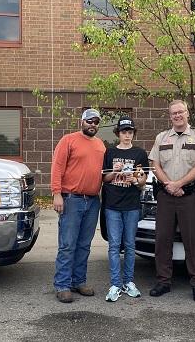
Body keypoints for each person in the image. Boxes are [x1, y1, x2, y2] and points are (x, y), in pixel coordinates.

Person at [148, 99, 195, 302]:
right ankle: (163, 281)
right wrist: (169, 184)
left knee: (192, 240)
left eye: (180, 112)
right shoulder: (161, 137)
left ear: (187, 114)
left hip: (188, 196)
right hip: (166, 196)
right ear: (170, 116)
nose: (177, 115)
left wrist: (179, 184)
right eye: (173, 113)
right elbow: (155, 164)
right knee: (162, 240)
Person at [51, 108, 106, 303]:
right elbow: (57, 166)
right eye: (89, 121)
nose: (93, 124)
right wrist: (57, 194)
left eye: (96, 122)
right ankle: (63, 284)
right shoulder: (68, 140)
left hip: (92, 201)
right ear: (81, 122)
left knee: (84, 245)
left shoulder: (100, 145)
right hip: (71, 199)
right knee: (68, 244)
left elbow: (103, 173)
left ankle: (78, 281)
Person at [102, 116, 149, 302]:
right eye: (124, 132)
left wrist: (135, 180)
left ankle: (128, 281)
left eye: (130, 132)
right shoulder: (110, 152)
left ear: (133, 134)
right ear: (118, 134)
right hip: (112, 205)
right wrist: (116, 171)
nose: (127, 135)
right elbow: (104, 179)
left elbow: (143, 180)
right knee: (114, 245)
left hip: (132, 205)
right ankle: (115, 283)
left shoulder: (140, 153)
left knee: (130, 245)